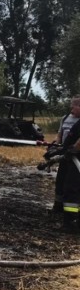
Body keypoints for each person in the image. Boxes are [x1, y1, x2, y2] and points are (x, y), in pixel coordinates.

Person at [52, 96, 80, 231]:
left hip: (76, 160)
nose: (71, 108)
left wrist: (72, 150)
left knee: (71, 188)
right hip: (71, 158)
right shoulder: (69, 120)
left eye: (73, 106)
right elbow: (62, 135)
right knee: (64, 183)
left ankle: (70, 222)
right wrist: (59, 148)